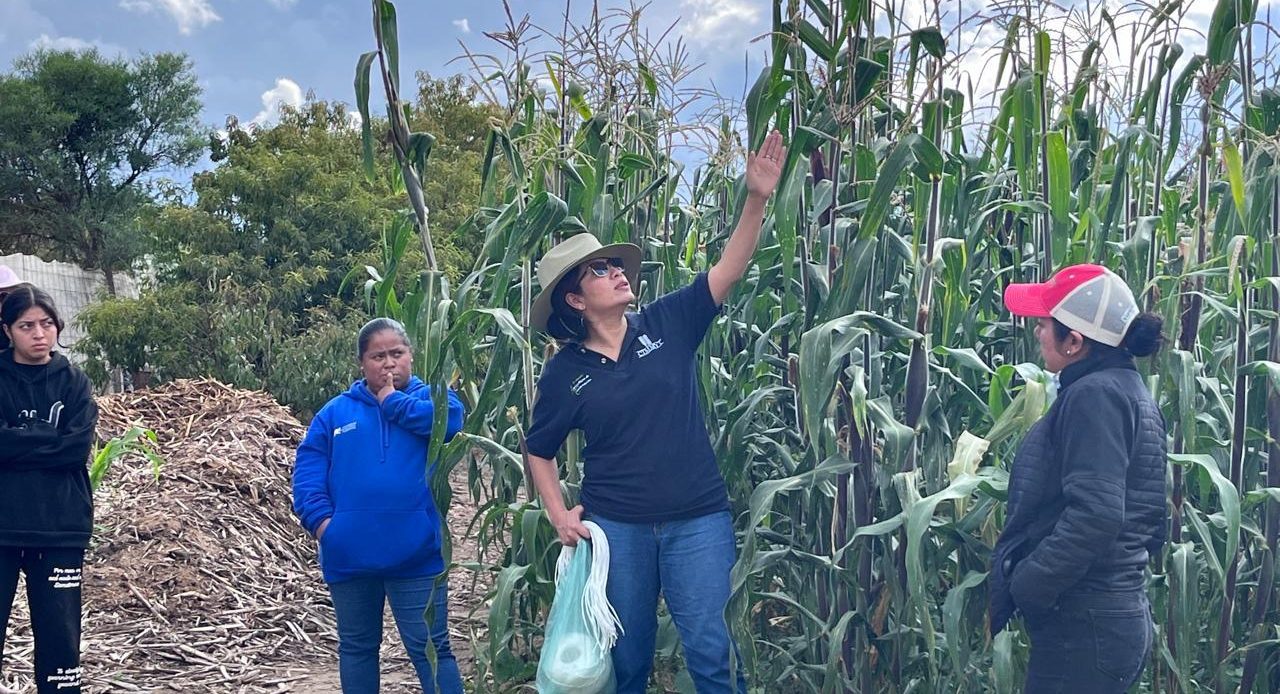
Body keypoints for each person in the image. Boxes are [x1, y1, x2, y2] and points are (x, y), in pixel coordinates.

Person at [524, 130, 786, 693]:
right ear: (575, 299)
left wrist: (756, 198)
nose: (618, 271)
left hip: (698, 520)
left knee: (714, 655)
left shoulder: (668, 323)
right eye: (599, 271)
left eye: (616, 265)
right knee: (626, 663)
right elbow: (538, 450)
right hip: (617, 531)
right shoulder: (566, 372)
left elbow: (728, 270)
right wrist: (558, 514)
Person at [988, 264, 1168, 692]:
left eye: (1046, 323)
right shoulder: (1125, 390)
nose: (1037, 331)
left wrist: (1030, 585)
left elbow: (1098, 515)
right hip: (1106, 619)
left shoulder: (1096, 396)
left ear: (1075, 342)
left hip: (1086, 624)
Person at [292, 318, 466, 694]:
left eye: (396, 354)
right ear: (361, 363)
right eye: (378, 356)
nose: (388, 364)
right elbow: (307, 474)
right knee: (357, 649)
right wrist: (325, 526)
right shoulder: (335, 413)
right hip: (349, 556)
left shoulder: (434, 397)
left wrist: (391, 402)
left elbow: (448, 424)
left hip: (417, 557)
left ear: (411, 356)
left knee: (432, 650)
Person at [0, 287, 99, 694]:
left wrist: (15, 441)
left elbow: (74, 451)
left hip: (61, 527)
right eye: (27, 325)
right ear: (7, 330)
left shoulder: (75, 383)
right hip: (2, 527)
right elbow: (58, 445)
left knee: (61, 642)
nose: (39, 333)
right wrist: (47, 436)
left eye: (47, 323)